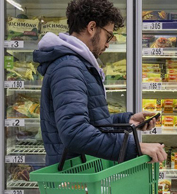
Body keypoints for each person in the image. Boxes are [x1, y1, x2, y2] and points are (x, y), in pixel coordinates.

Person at [33, 0, 167, 166]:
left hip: (82, 168)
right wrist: (135, 147)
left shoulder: (77, 64)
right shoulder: (68, 67)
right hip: (73, 176)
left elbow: (88, 121)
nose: (108, 44)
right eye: (108, 36)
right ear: (91, 28)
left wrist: (127, 121)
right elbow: (75, 133)